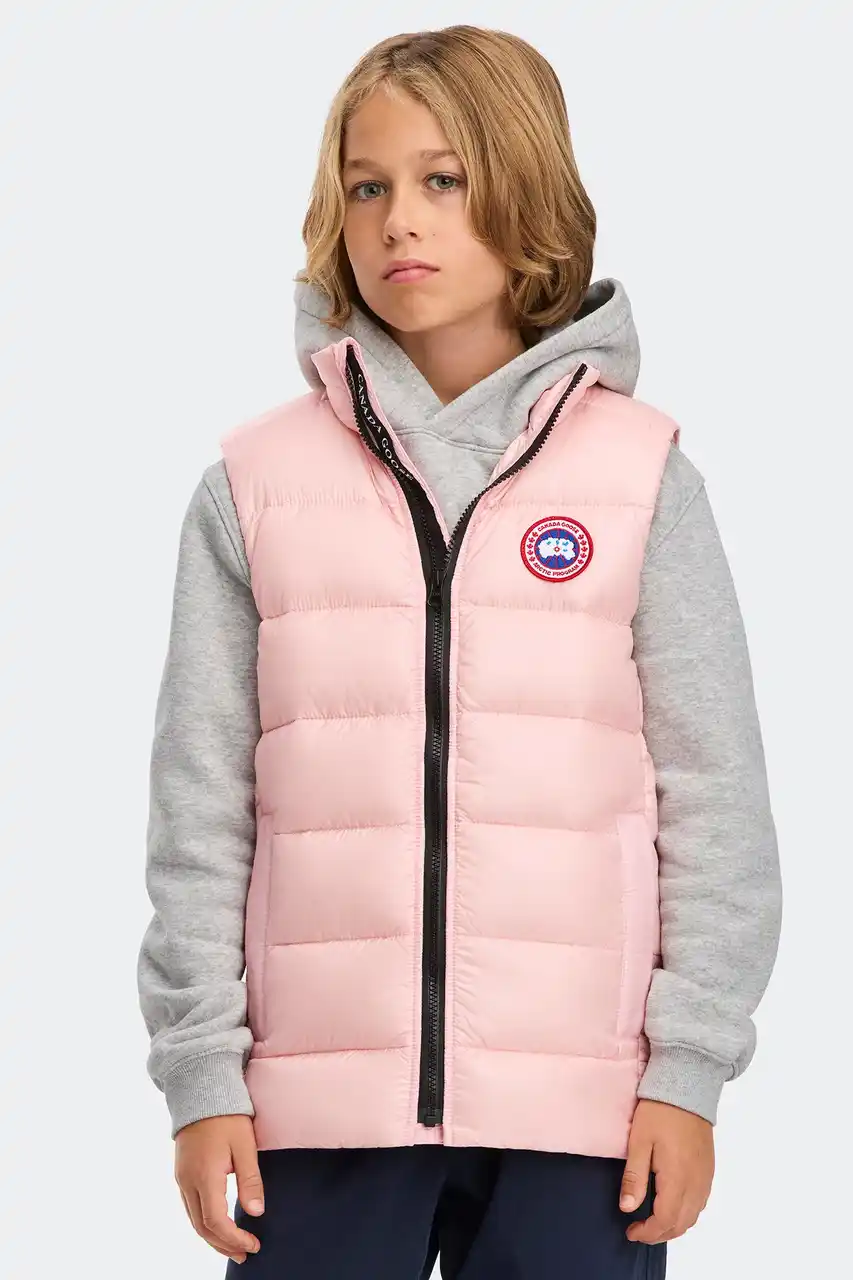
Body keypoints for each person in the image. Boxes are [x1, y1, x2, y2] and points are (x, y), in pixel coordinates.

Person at [137, 24, 782, 1279]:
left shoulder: (641, 480)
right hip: (313, 1112)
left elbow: (715, 800)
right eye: (365, 187)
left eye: (443, 179)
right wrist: (201, 1071)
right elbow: (200, 804)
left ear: (527, 195)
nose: (397, 221)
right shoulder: (253, 487)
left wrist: (689, 1067)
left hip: (583, 1111)